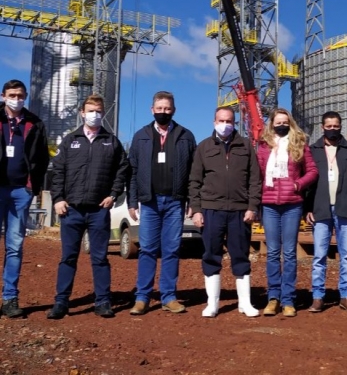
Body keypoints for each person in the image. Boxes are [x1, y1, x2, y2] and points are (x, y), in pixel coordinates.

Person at [47, 94, 129, 319]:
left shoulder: (111, 141)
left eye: (98, 111)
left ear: (103, 113)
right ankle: (61, 302)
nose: (94, 114)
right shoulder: (70, 140)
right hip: (71, 209)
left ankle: (102, 301)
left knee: (100, 258)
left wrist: (114, 194)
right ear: (82, 113)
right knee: (68, 258)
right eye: (90, 110)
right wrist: (58, 199)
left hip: (98, 210)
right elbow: (58, 172)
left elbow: (123, 169)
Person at [128, 91, 196, 316]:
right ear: (152, 110)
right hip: (150, 202)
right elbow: (133, 171)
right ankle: (142, 297)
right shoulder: (141, 136)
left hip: (175, 202)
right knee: (147, 249)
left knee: (171, 249)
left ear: (173, 110)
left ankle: (168, 296)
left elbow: (193, 173)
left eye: (167, 109)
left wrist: (192, 201)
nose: (163, 112)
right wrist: (132, 201)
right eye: (159, 109)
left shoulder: (186, 136)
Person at [189, 106, 261, 318]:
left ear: (234, 123)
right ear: (214, 122)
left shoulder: (246, 146)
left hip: (240, 211)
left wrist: (252, 206)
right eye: (221, 120)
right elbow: (194, 181)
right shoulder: (203, 147)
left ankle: (245, 303)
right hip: (211, 209)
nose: (225, 125)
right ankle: (213, 304)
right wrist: (196, 210)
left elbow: (255, 180)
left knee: (240, 255)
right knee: (211, 255)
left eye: (229, 121)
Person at [257, 108, 318, 317]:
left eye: (285, 122)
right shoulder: (264, 146)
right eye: (277, 122)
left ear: (289, 123)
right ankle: (273, 297)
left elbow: (312, 171)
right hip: (269, 204)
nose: (281, 125)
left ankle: (288, 299)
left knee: (290, 253)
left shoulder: (299, 144)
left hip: (292, 204)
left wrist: (299, 184)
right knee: (273, 252)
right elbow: (258, 172)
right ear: (272, 124)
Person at [306, 111, 347, 313]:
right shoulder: (312, 150)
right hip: (320, 208)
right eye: (329, 126)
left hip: (345, 208)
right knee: (319, 256)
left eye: (336, 126)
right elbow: (306, 182)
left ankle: (346, 296)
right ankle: (317, 297)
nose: (332, 129)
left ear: (341, 126)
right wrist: (306, 209)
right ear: (322, 126)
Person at [0, 79, 49, 318]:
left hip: (21, 192)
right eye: (12, 95)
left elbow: (42, 157)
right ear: (3, 95)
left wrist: (33, 186)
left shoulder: (35, 123)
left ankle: (10, 298)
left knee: (15, 246)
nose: (16, 99)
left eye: (20, 95)